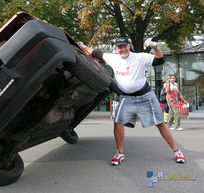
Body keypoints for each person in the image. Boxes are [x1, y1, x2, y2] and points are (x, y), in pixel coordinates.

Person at [78, 37, 186, 165]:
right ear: (116, 48)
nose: (123, 49)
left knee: (161, 124)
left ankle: (176, 151)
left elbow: (159, 60)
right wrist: (82, 46)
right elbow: (96, 53)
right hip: (127, 98)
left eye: (125, 46)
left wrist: (155, 47)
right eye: (120, 47)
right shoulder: (113, 58)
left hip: (145, 96)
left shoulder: (140, 57)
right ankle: (120, 153)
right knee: (118, 123)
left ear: (129, 46)